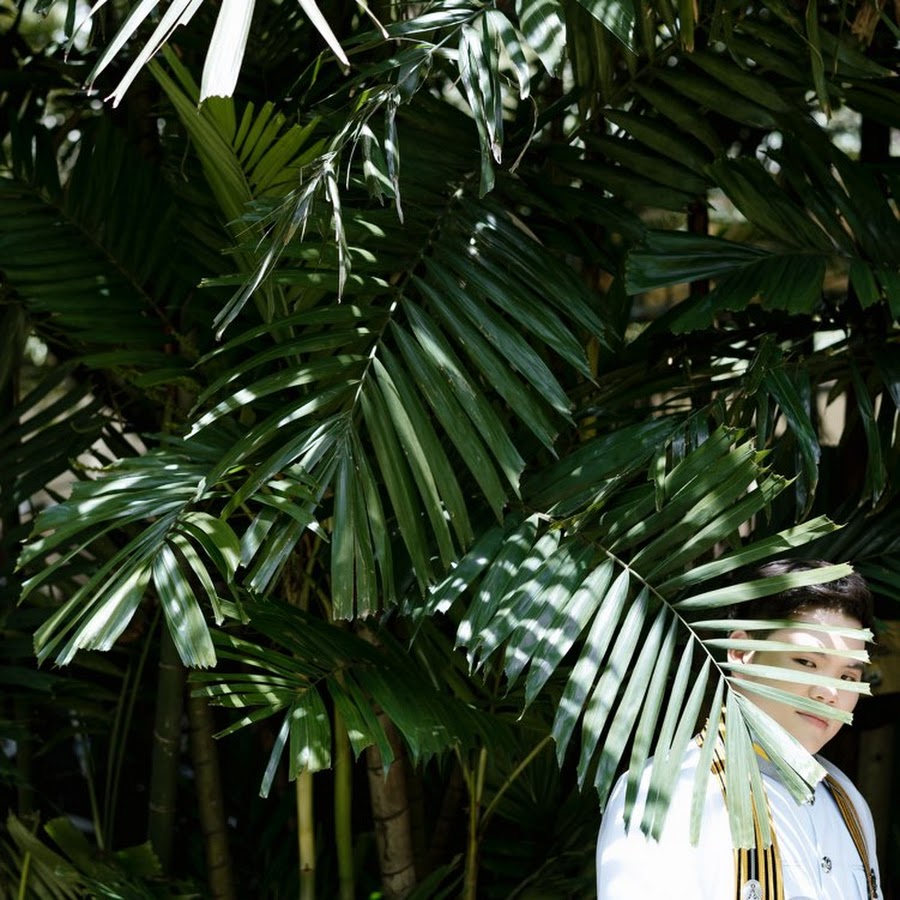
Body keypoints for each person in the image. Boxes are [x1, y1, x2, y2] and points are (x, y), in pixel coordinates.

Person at [595, 559, 880, 899]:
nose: (829, 692)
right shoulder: (669, 792)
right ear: (741, 652)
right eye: (806, 662)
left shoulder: (847, 801)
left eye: (847, 676)